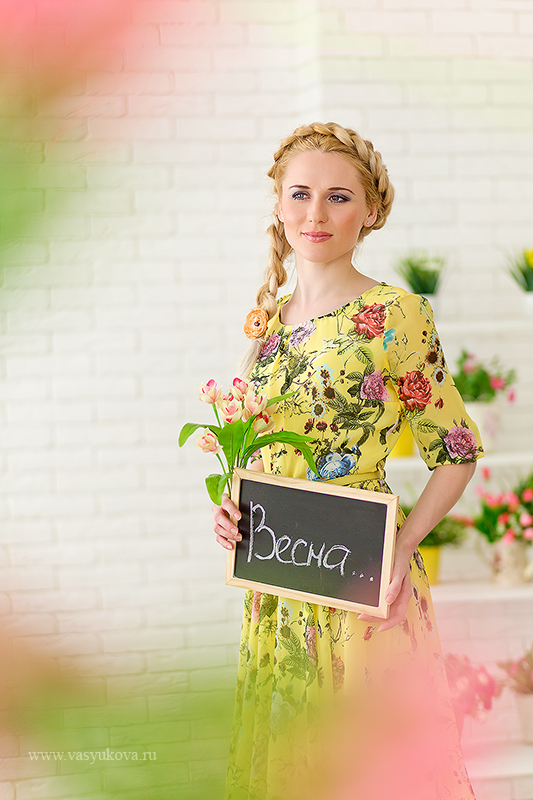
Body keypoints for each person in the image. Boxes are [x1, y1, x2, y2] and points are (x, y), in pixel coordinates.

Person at [212, 122, 483, 800]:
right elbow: (264, 449)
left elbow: (456, 451)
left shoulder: (396, 314)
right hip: (279, 583)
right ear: (279, 204)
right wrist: (233, 511)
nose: (315, 214)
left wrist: (402, 545)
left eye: (338, 197)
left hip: (363, 576)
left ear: (369, 212)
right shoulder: (268, 322)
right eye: (300, 194)